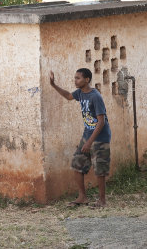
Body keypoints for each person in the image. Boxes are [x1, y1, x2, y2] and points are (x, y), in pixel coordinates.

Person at [50, 68, 111, 208]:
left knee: (99, 169)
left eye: (78, 78)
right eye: (75, 77)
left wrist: (89, 142)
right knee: (78, 164)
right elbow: (68, 96)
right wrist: (53, 85)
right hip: (87, 135)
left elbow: (101, 122)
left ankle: (102, 201)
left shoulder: (95, 96)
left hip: (101, 137)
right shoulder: (80, 93)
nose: (75, 80)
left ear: (87, 80)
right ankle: (82, 197)